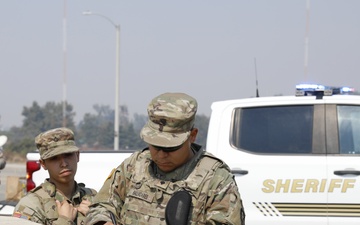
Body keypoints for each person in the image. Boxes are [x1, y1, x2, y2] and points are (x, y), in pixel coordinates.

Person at [85, 92, 245, 225]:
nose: (161, 155)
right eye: (155, 146)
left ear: (193, 136)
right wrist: (103, 220)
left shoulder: (216, 180)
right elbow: (102, 205)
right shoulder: (134, 166)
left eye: (170, 148)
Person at [13, 127, 97, 225]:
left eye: (68, 155)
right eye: (54, 158)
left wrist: (96, 220)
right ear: (43, 164)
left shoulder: (93, 198)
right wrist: (63, 221)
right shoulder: (31, 205)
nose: (64, 164)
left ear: (77, 155)